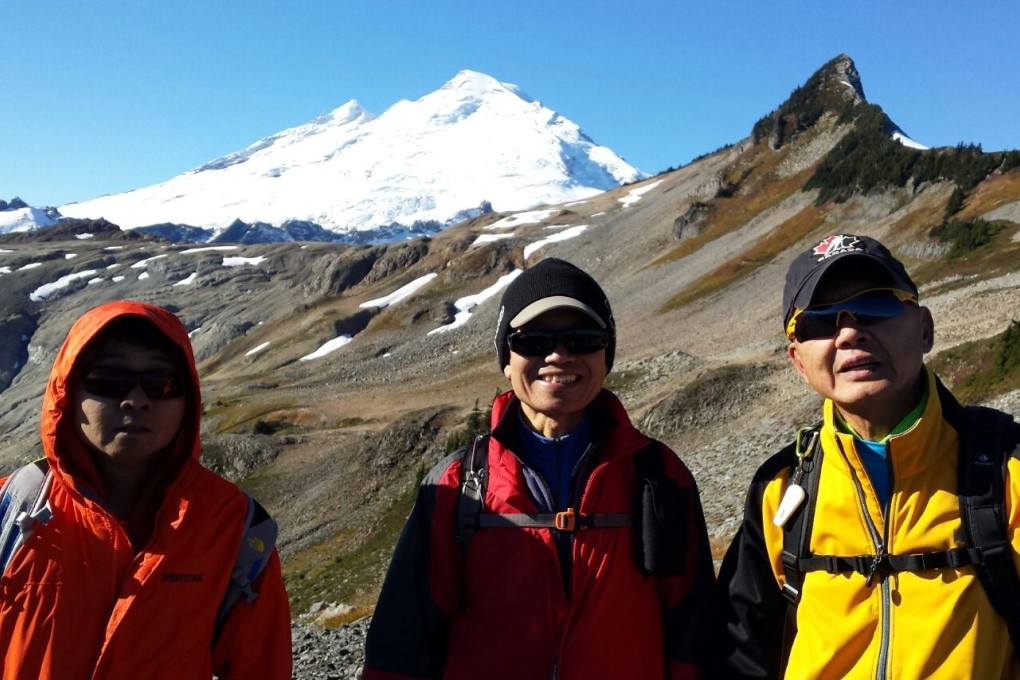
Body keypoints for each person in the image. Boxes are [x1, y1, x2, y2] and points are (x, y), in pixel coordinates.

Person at [361, 257, 714, 679]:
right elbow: (402, 644)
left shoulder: (660, 474)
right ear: (506, 360)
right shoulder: (457, 484)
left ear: (606, 355)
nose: (559, 354)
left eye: (583, 338)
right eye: (532, 340)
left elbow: (694, 633)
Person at [710, 234, 1020, 678]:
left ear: (925, 329)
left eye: (875, 305)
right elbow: (740, 657)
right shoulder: (779, 489)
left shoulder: (1008, 468)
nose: (849, 333)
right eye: (820, 321)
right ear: (798, 361)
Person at [0, 301, 292, 679]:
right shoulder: (11, 507)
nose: (136, 400)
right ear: (67, 391)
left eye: (162, 384)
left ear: (188, 401)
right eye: (108, 380)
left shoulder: (237, 531)